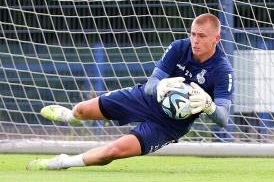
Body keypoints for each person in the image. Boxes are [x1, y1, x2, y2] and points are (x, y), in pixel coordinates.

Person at [26, 13, 234, 171]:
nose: (195, 40)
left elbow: (223, 117)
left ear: (216, 39)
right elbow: (152, 82)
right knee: (81, 110)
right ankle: (70, 117)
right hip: (145, 98)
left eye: (201, 36)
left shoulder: (222, 70)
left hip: (169, 125)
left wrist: (209, 106)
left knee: (113, 151)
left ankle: (62, 162)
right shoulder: (179, 47)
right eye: (193, 34)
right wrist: (160, 86)